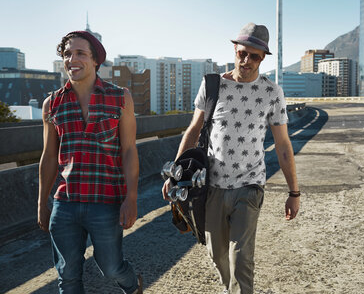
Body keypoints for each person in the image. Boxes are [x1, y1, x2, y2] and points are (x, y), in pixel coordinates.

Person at [162, 22, 300, 294]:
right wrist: (174, 175)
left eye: (254, 56)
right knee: (216, 255)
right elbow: (193, 130)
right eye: (242, 53)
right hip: (212, 186)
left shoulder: (272, 93)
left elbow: (283, 145)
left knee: (241, 261)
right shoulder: (213, 86)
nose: (246, 60)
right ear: (234, 49)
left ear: (263, 58)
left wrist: (294, 192)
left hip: (249, 186)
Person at [37, 31, 143, 294]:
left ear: (96, 60)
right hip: (66, 203)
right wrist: (42, 202)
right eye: (67, 54)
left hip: (106, 201)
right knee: (68, 275)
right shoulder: (52, 103)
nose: (72, 59)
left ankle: (132, 285)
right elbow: (49, 156)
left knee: (110, 267)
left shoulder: (121, 98)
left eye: (80, 53)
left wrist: (131, 197)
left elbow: (129, 150)